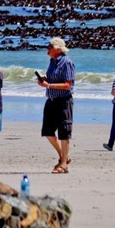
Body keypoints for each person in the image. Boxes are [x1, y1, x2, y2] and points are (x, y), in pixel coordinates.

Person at [37, 38, 75, 174]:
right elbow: (52, 80)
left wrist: (49, 85)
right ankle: (63, 157)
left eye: (49, 47)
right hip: (51, 100)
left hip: (64, 101)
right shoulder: (52, 61)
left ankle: (63, 164)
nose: (47, 49)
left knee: (64, 133)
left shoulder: (67, 63)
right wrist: (45, 81)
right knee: (47, 131)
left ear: (58, 49)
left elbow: (68, 85)